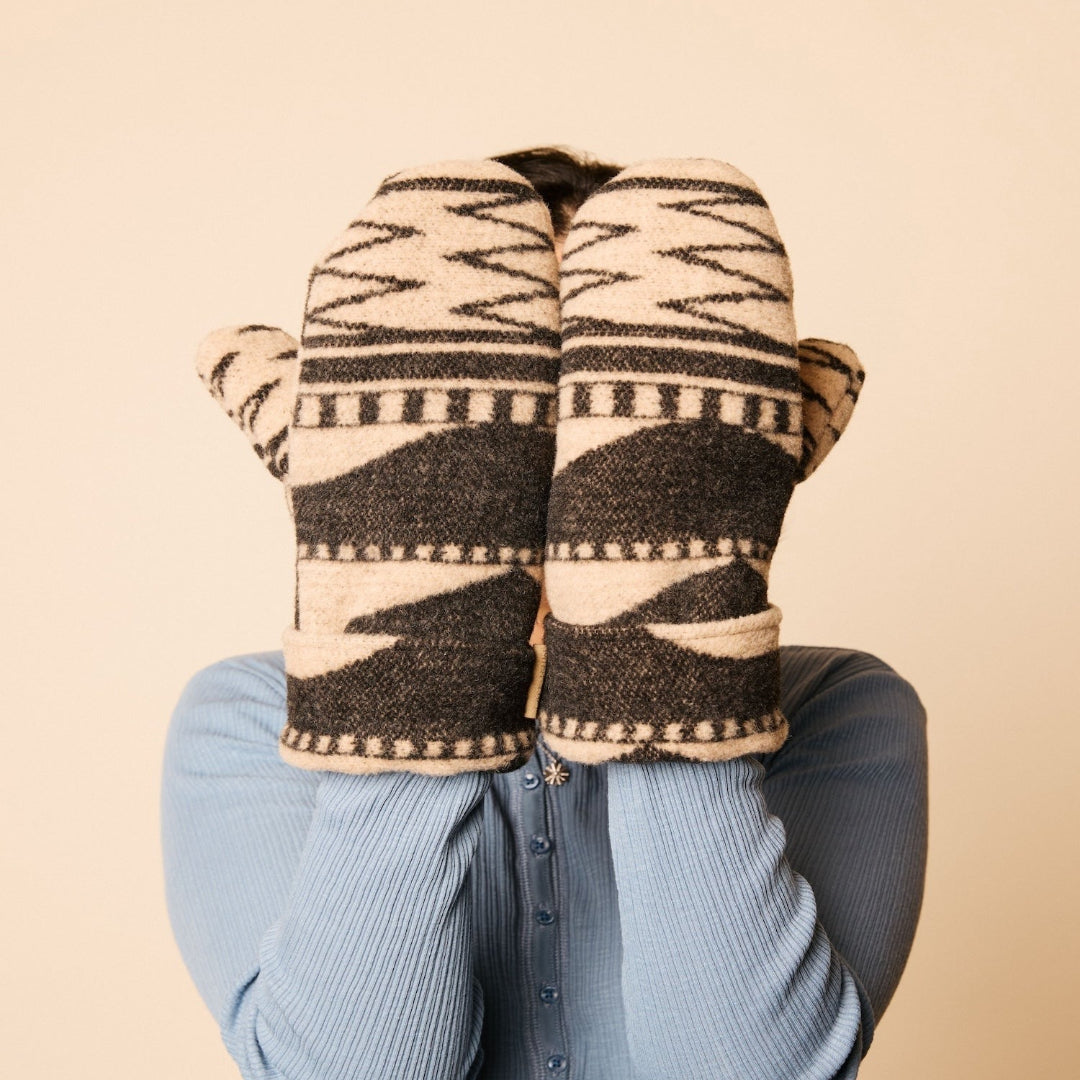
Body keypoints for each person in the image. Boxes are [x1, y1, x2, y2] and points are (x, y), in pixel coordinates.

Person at [161, 147, 928, 1080]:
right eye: (509, 403)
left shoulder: (838, 705)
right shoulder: (246, 715)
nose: (562, 459)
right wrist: (415, 654)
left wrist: (660, 640)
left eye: (598, 401)